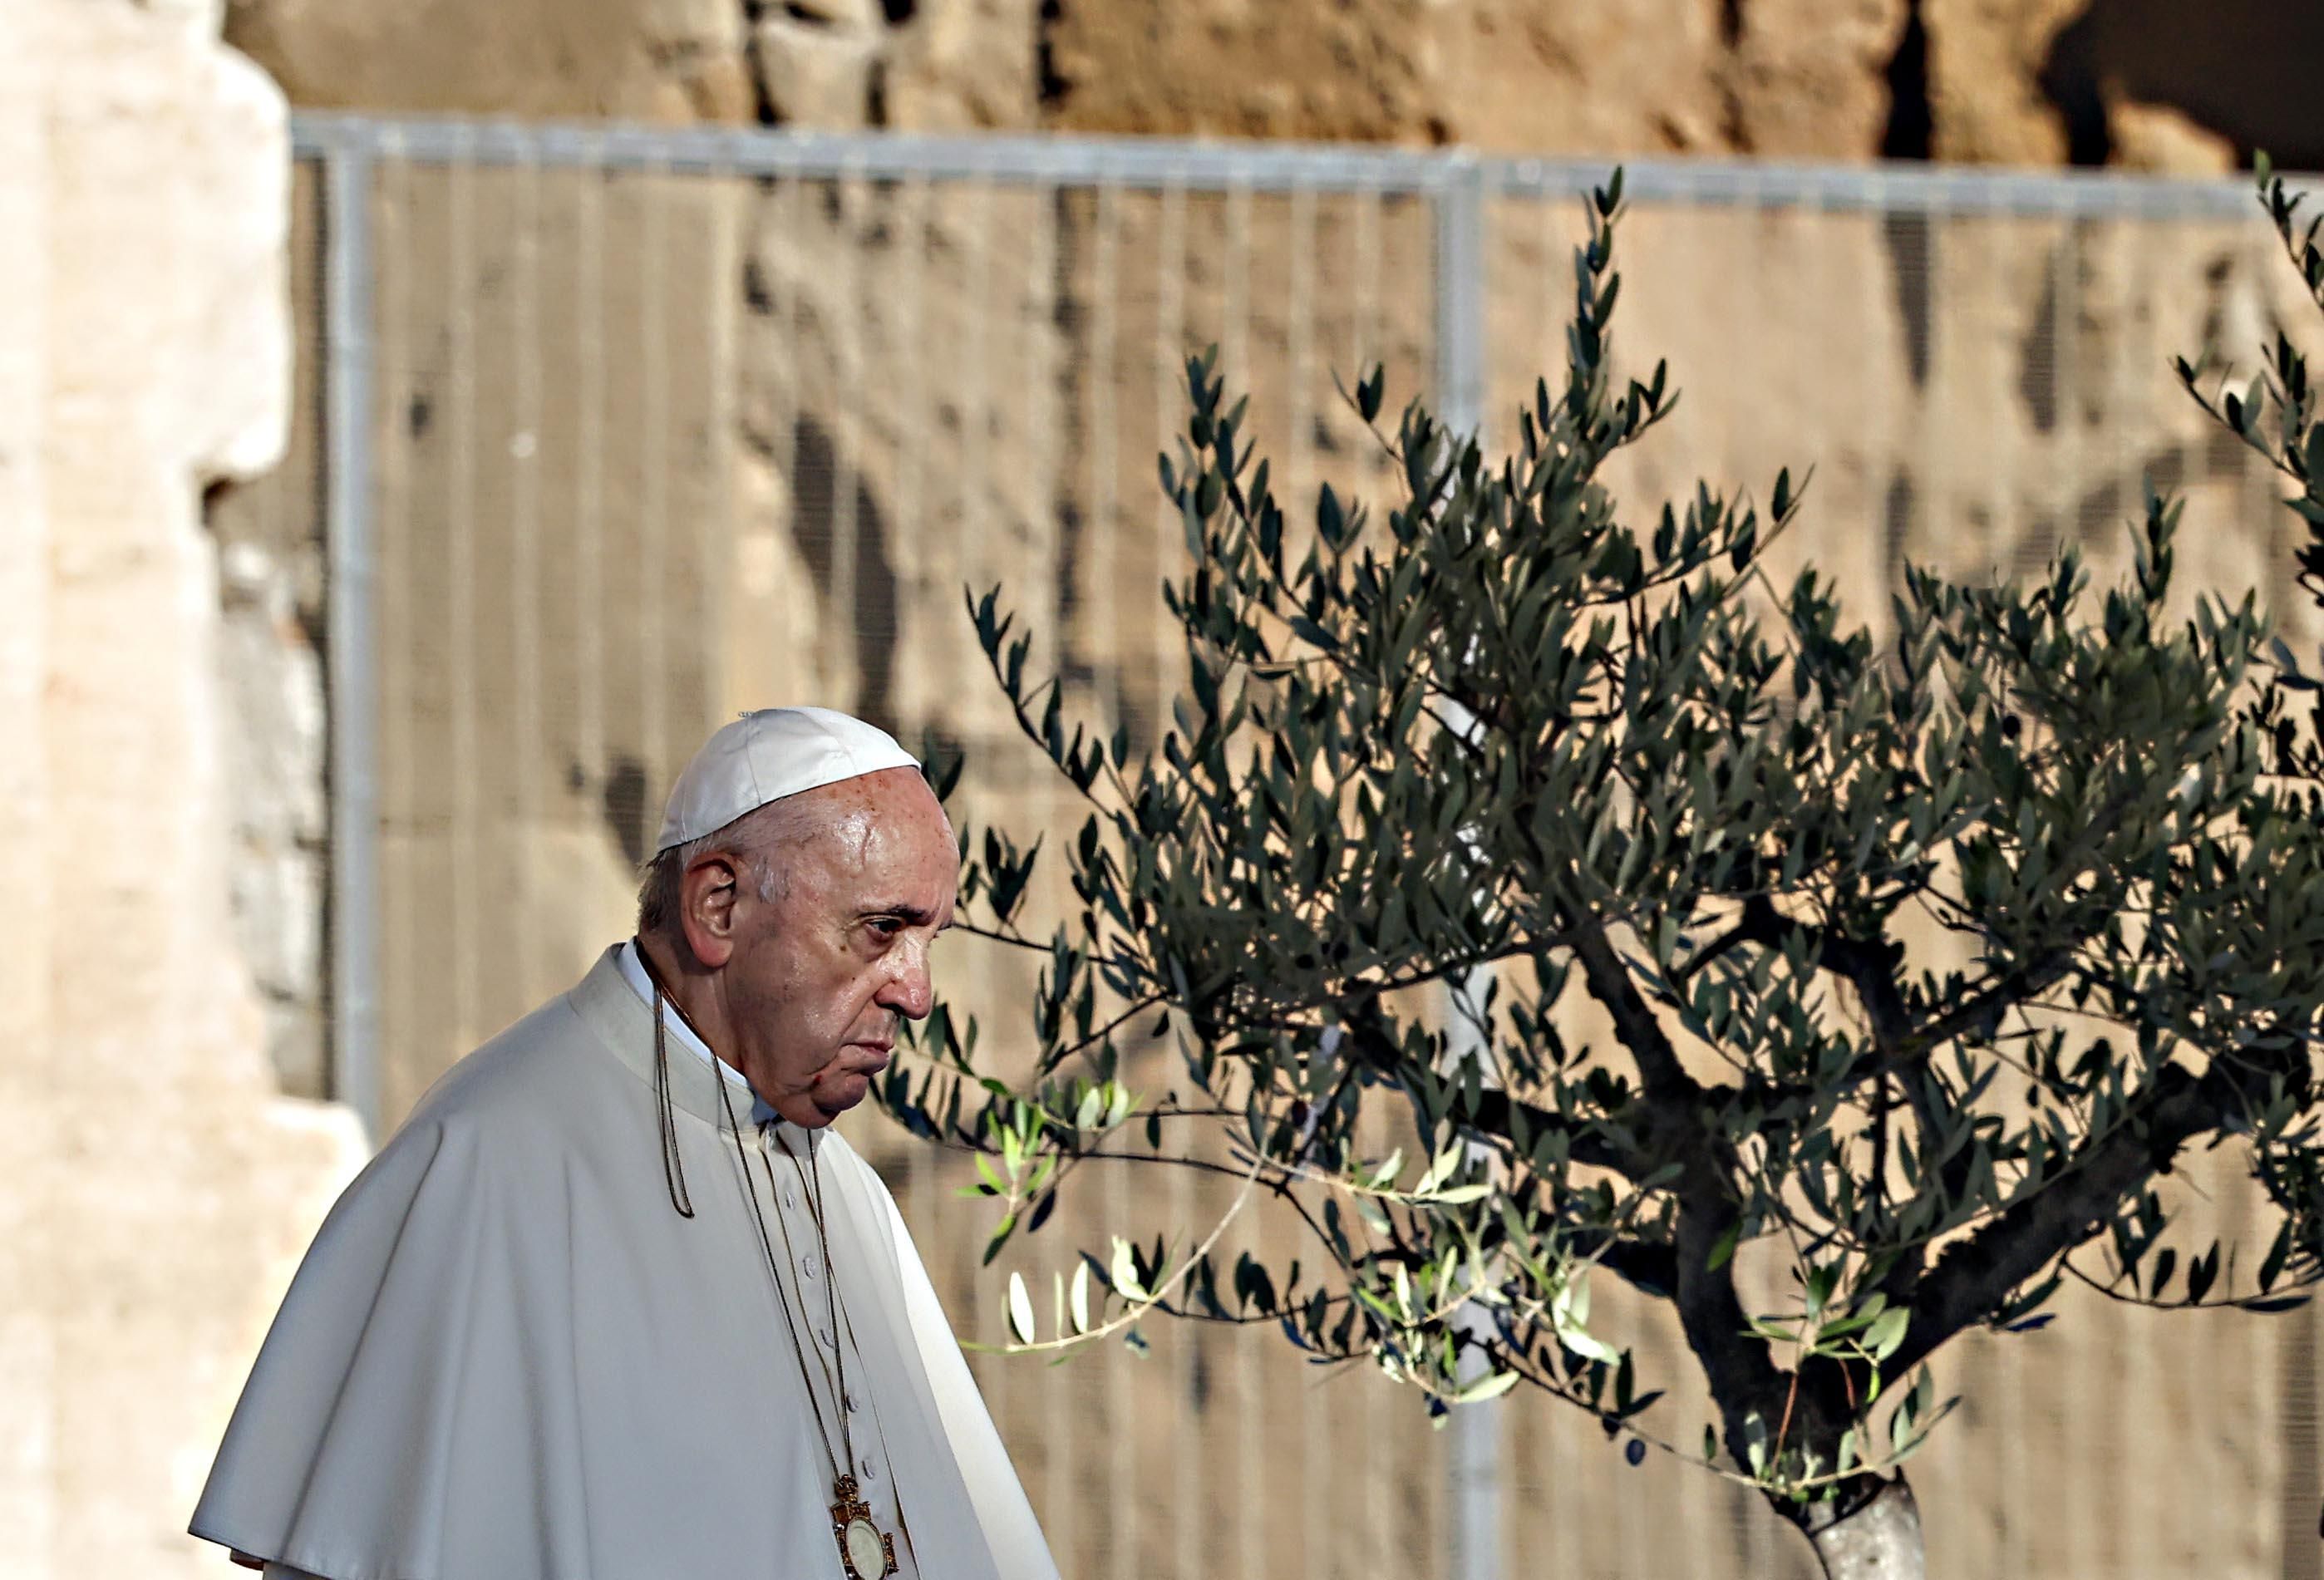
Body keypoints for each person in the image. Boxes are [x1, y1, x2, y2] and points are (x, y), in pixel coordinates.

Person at [192, 707, 1059, 1580]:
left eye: (929, 941)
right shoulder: (492, 1161)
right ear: (718, 905)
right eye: (882, 930)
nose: (917, 992)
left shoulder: (851, 1195)